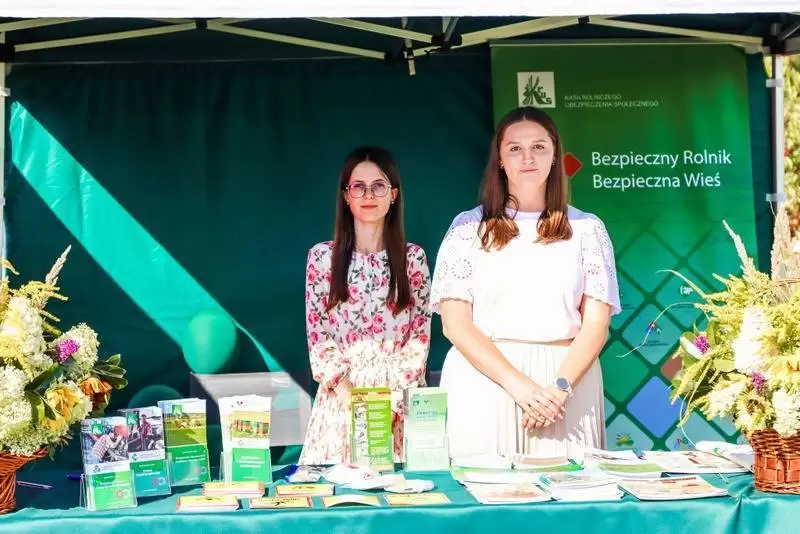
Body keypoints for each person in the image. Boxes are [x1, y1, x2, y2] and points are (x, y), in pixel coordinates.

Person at [429, 106, 620, 460]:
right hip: (487, 381)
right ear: (500, 159)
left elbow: (596, 324)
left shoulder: (587, 229)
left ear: (555, 155)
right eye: (515, 148)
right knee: (488, 489)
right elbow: (455, 324)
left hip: (565, 388)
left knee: (573, 490)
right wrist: (520, 387)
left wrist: (558, 390)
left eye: (539, 147)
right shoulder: (467, 228)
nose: (528, 158)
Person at [299, 146, 432, 465]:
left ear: (394, 195)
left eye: (378, 186)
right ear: (346, 196)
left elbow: (420, 336)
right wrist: (351, 397)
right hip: (341, 401)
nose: (368, 195)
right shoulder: (322, 258)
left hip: (399, 402)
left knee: (404, 489)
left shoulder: (413, 258)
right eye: (358, 186)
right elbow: (318, 336)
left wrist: (391, 402)